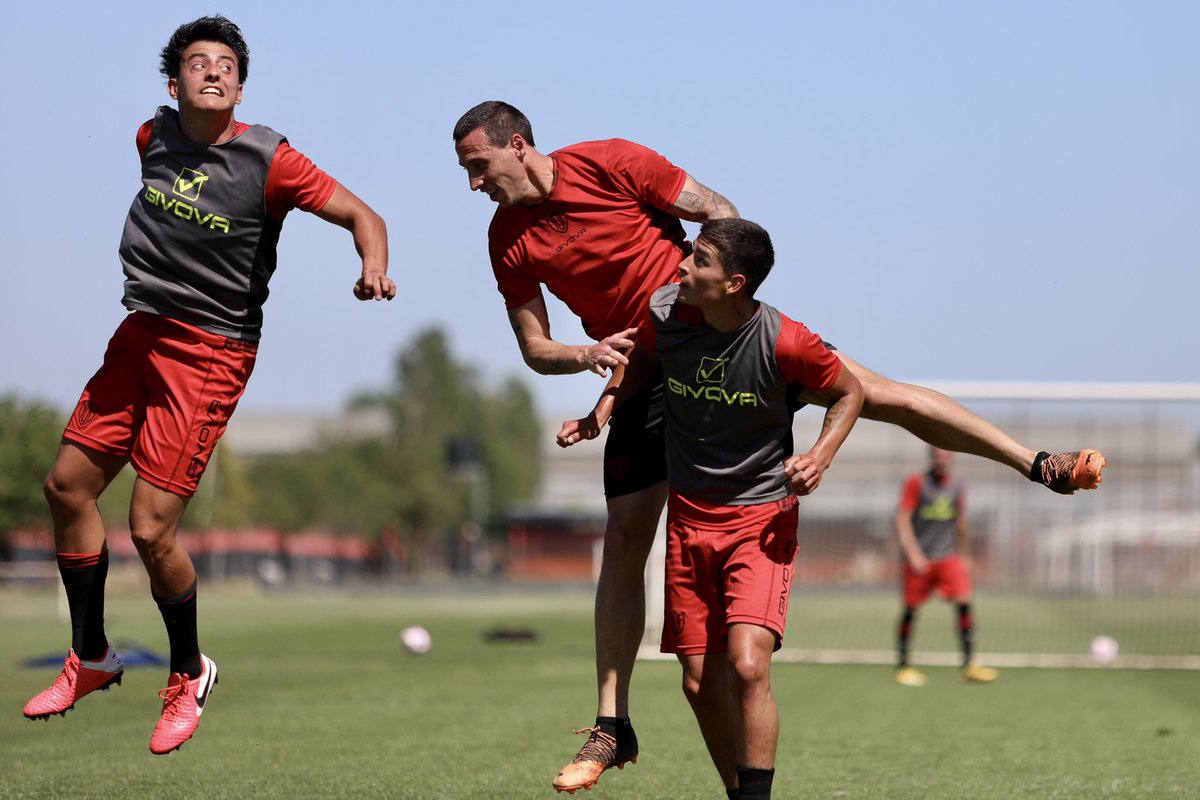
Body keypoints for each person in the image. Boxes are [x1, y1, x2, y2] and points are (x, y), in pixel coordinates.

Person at [451, 100, 1105, 792]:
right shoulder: (507, 240)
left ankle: (1034, 463)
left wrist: (712, 291)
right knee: (624, 539)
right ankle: (613, 723)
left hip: (719, 341)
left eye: (477, 166)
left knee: (879, 393)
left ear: (517, 145)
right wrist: (585, 354)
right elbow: (535, 348)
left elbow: (719, 212)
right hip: (644, 368)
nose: (473, 184)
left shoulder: (612, 162)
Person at [23, 16, 394, 755]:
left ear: (241, 86)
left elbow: (364, 213)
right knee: (66, 488)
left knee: (151, 529)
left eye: (226, 64)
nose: (214, 72)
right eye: (199, 63)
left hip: (210, 353)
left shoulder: (272, 160)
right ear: (175, 83)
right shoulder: (150, 139)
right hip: (141, 332)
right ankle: (92, 654)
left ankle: (189, 672)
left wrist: (372, 265)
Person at [559, 218, 864, 799]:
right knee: (699, 685)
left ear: (734, 283)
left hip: (759, 521)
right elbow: (642, 361)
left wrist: (821, 455)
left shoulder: (786, 340)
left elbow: (851, 392)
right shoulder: (668, 312)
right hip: (690, 518)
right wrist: (602, 412)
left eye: (699, 260)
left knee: (748, 666)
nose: (682, 266)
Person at [894, 448, 998, 686]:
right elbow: (903, 518)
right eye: (938, 456)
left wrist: (965, 555)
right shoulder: (916, 483)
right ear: (932, 458)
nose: (942, 461)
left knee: (964, 601)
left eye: (946, 457)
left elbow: (960, 522)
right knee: (911, 609)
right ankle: (903, 665)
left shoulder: (956, 486)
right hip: (921, 558)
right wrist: (913, 553)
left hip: (948, 556)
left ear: (952, 458)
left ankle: (970, 664)